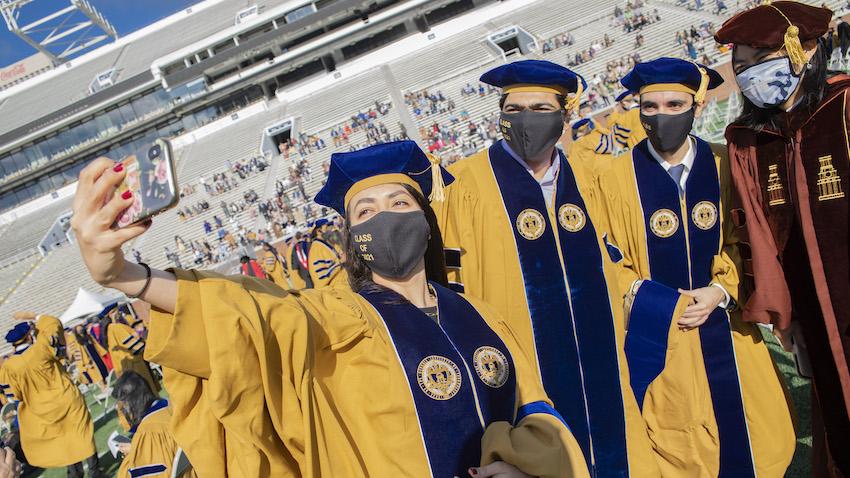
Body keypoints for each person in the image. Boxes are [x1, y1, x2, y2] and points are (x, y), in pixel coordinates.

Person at [71, 142, 589, 477]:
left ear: (428, 224)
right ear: (350, 237)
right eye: (366, 210)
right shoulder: (339, 318)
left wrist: (525, 468)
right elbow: (252, 317)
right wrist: (124, 276)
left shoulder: (478, 314)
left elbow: (534, 408)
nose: (385, 216)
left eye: (401, 204)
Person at [434, 60, 658, 477]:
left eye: (539, 109)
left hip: (606, 370)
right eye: (513, 110)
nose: (525, 121)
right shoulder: (461, 188)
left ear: (565, 115)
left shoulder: (590, 178)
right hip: (521, 383)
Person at [598, 57, 796, 477]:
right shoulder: (610, 179)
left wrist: (720, 291)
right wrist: (647, 295)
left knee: (759, 433)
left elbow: (749, 239)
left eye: (673, 105)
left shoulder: (728, 164)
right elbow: (606, 252)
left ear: (697, 107)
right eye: (649, 107)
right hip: (657, 330)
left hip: (725, 321)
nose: (660, 116)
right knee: (678, 439)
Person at [715, 2, 850, 475]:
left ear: (804, 52)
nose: (751, 75)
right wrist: (783, 313)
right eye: (742, 66)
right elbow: (757, 230)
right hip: (813, 306)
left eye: (762, 60)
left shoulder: (846, 105)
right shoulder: (751, 140)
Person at [0, 314, 105, 477]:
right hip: (66, 399)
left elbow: (15, 394)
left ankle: (74, 474)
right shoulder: (41, 347)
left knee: (64, 441)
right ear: (29, 336)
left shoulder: (9, 366)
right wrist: (36, 317)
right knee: (82, 434)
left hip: (41, 409)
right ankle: (94, 472)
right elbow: (53, 324)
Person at [113, 372, 196, 478]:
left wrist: (133, 454)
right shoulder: (172, 407)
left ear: (131, 402)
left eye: (122, 405)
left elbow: (154, 473)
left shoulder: (149, 432)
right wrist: (136, 448)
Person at [97, 304, 160, 394]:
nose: (119, 312)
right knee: (146, 391)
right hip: (134, 364)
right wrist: (149, 350)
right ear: (111, 314)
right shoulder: (117, 327)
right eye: (116, 310)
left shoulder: (109, 329)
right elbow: (134, 345)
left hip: (125, 366)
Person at [66, 324, 110, 391]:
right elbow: (77, 353)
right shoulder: (76, 341)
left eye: (81, 328)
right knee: (97, 376)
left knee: (103, 372)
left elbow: (96, 344)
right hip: (88, 360)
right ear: (76, 331)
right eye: (78, 329)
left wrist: (102, 352)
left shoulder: (88, 336)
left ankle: (106, 387)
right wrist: (84, 363)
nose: (81, 330)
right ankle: (103, 388)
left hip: (96, 357)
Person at [307, 218, 348, 289]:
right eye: (326, 227)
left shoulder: (326, 243)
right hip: (335, 289)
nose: (329, 229)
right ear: (318, 231)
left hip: (343, 285)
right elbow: (321, 276)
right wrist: (341, 261)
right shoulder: (316, 247)